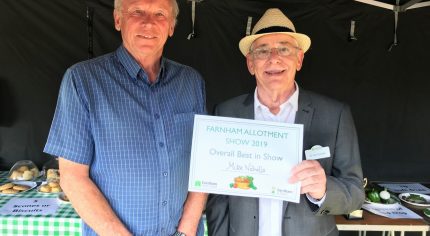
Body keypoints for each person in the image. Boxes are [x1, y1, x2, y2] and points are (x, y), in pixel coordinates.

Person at [44, 0, 207, 235]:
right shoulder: (83, 80)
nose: (148, 23)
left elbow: (201, 164)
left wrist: (188, 228)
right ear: (118, 19)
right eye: (137, 11)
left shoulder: (191, 82)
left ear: (171, 26)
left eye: (160, 14)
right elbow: (72, 178)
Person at [205, 8, 365, 236]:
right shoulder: (226, 113)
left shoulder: (335, 114)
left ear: (299, 59)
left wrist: (323, 189)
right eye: (262, 51)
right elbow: (218, 195)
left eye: (284, 49)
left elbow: (355, 193)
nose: (273, 58)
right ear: (250, 63)